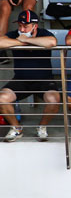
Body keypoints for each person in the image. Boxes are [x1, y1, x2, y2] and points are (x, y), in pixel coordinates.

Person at [0, 10, 60, 143]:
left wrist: (27, 40)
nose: (22, 29)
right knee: (2, 98)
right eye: (20, 25)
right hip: (21, 80)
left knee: (54, 99)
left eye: (25, 26)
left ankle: (42, 127)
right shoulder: (15, 35)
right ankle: (17, 128)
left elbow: (51, 42)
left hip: (44, 80)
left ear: (35, 26)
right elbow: (0, 42)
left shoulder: (44, 33)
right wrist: (21, 42)